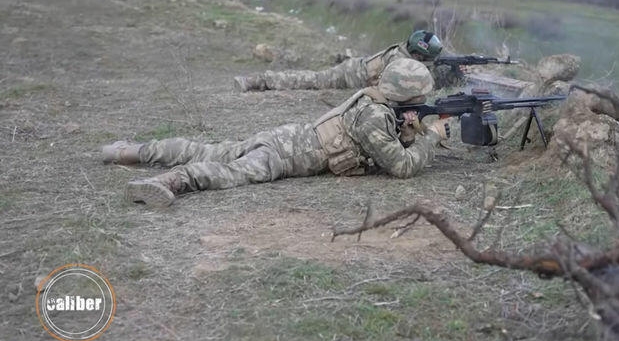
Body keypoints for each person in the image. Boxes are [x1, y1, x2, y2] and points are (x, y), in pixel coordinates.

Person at [102, 59, 450, 208]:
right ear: (408, 95)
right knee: (228, 171)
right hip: (283, 156)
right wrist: (431, 136)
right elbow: (402, 167)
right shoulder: (375, 116)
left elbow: (388, 146)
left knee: (208, 150)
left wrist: (409, 132)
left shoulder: (375, 103)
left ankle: (129, 152)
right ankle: (168, 183)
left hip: (285, 137)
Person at [234, 30, 460, 92]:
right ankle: (257, 81)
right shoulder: (399, 61)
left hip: (356, 66)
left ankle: (258, 80)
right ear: (419, 55)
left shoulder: (405, 50)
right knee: (310, 80)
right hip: (351, 74)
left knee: (312, 78)